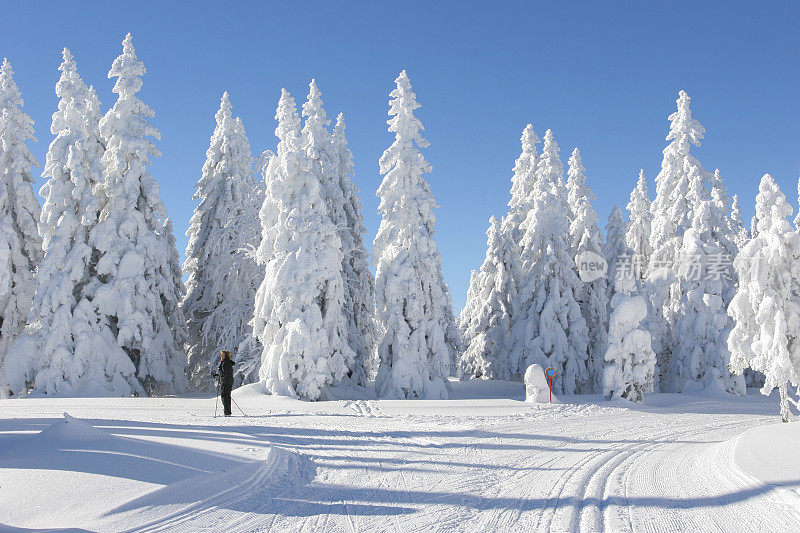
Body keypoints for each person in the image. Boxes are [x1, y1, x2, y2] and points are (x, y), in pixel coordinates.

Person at [217, 350, 235, 416]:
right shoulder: (227, 362)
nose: (220, 356)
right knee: (227, 396)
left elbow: (225, 373)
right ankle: (227, 411)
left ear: (225, 356)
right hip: (228, 381)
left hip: (226, 381)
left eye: (222, 355)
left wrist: (219, 374)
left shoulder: (225, 363)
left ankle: (227, 412)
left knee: (224, 396)